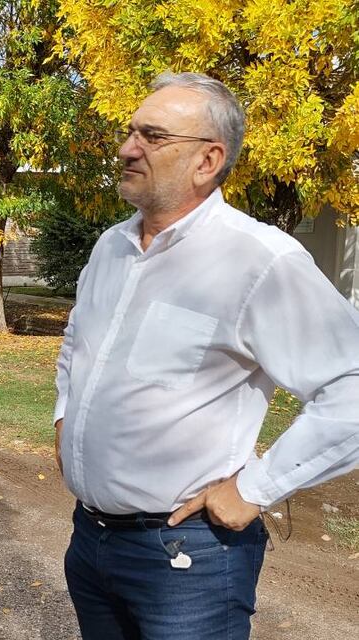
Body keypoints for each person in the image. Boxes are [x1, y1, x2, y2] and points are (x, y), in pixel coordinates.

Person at [54, 71, 359, 639]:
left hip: (186, 560)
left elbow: (352, 387)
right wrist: (63, 416)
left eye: (152, 136)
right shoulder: (111, 247)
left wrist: (255, 489)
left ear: (207, 160)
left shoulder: (259, 261)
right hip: (91, 543)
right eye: (129, 132)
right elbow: (79, 340)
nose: (127, 149)